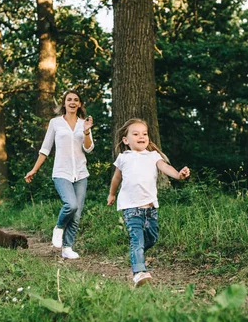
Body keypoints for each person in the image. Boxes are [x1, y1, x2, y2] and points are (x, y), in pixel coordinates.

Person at [107, 118, 190, 286]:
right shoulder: (124, 157)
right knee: (137, 241)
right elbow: (116, 178)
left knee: (151, 238)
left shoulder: (153, 156)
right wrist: (111, 194)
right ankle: (139, 272)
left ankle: (135, 255)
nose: (141, 136)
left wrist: (178, 175)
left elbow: (165, 168)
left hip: (150, 208)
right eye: (136, 134)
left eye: (144, 134)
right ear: (126, 140)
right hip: (131, 208)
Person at [25, 90, 94, 259]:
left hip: (81, 173)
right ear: (64, 103)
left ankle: (67, 248)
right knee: (71, 205)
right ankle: (59, 227)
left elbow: (89, 148)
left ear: (80, 104)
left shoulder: (83, 124)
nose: (72, 102)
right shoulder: (55, 123)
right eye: (69, 99)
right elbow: (45, 148)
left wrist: (86, 131)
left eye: (76, 100)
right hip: (61, 172)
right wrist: (34, 169)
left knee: (77, 215)